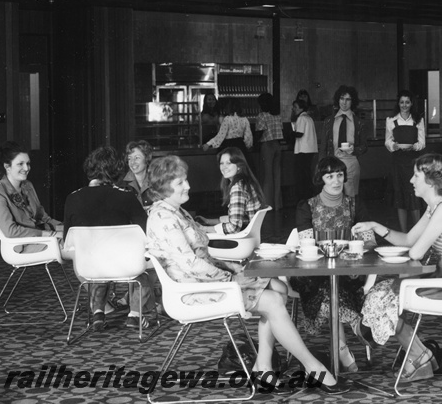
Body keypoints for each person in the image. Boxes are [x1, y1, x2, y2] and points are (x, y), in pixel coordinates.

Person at [144, 155, 350, 394]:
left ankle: (263, 367)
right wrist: (232, 278)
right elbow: (191, 264)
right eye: (181, 183)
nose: (188, 185)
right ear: (164, 186)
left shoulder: (176, 211)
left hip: (205, 282)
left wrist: (233, 268)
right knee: (273, 301)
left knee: (278, 288)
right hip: (192, 291)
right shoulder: (162, 217)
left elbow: (203, 257)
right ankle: (313, 369)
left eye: (185, 180)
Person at [352, 153, 442, 382]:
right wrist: (375, 226)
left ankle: (420, 356)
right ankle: (421, 355)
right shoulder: (436, 207)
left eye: (416, 175)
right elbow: (409, 239)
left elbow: (416, 252)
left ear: (430, 180)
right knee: (381, 296)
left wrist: (407, 253)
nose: (411, 180)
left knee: (381, 297)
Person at [290, 156, 375, 373]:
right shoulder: (306, 207)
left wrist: (360, 240)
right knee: (328, 286)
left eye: (339, 175)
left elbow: (370, 241)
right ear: (321, 179)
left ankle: (342, 348)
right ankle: (346, 341)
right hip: (313, 274)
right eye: (330, 176)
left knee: (334, 286)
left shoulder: (356, 204)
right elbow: (306, 245)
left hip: (349, 272)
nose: (336, 181)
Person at [64, 146, 157, 330]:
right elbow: (146, 233)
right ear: (116, 171)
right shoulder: (126, 197)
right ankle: (135, 315)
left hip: (88, 266)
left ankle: (98, 312)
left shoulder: (72, 199)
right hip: (126, 265)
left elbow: (67, 240)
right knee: (143, 274)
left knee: (101, 268)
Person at [0, 141, 63, 253]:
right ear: (7, 166)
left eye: (28, 163)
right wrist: (48, 234)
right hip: (21, 245)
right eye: (20, 164)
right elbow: (11, 231)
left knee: (77, 237)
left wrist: (66, 229)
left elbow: (44, 218)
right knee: (74, 245)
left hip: (43, 238)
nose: (26, 168)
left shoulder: (28, 185)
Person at [195, 148, 267, 245]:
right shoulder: (246, 183)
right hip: (249, 239)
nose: (224, 167)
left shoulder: (238, 187)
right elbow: (239, 218)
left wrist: (204, 229)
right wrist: (208, 221)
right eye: (221, 163)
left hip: (241, 242)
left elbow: (234, 227)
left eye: (228, 163)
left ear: (239, 166)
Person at [385, 90, 426, 232]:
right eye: (402, 102)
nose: (404, 105)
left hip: (413, 162)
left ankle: (417, 232)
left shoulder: (418, 120)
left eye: (407, 102)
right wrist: (393, 146)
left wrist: (415, 146)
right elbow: (387, 141)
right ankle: (403, 232)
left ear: (411, 103)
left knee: (414, 197)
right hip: (397, 162)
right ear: (398, 103)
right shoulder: (391, 120)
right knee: (400, 197)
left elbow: (422, 142)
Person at [321, 85, 367, 197]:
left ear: (353, 101)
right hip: (332, 164)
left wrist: (354, 150)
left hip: (351, 164)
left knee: (351, 199)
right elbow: (323, 147)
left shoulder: (358, 122)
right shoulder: (329, 121)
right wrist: (321, 166)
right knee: (333, 197)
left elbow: (364, 147)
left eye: (348, 99)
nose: (344, 102)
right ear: (338, 100)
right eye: (342, 98)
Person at [255, 93, 283, 210]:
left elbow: (259, 132)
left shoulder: (261, 116)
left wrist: (254, 143)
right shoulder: (277, 116)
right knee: (277, 176)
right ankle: (277, 205)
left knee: (267, 177)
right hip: (277, 145)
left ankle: (268, 205)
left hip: (267, 146)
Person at [203, 98, 253, 164]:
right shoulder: (244, 119)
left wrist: (208, 144)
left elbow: (221, 135)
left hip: (229, 145)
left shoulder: (227, 119)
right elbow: (248, 136)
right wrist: (248, 145)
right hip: (240, 146)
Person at [291, 99, 318, 202]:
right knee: (307, 175)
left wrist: (289, 134)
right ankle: (309, 196)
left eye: (295, 107)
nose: (293, 109)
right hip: (310, 150)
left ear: (301, 108)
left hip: (303, 150)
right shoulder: (309, 118)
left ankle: (302, 198)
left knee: (301, 176)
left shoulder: (301, 118)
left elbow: (299, 133)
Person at [118, 140, 154, 208]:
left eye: (137, 158)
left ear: (147, 159)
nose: (132, 162)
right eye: (129, 158)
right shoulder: (121, 184)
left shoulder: (156, 181)